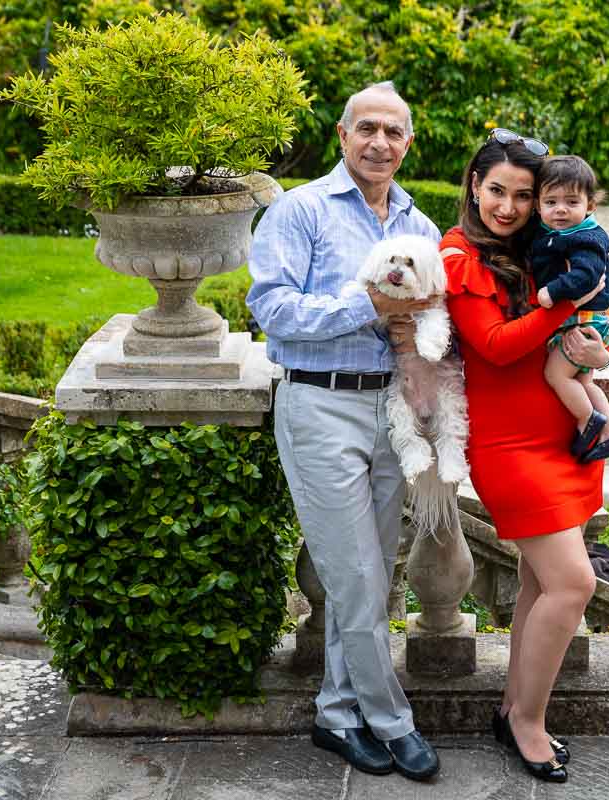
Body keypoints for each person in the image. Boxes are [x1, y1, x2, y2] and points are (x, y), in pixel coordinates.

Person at [246, 82, 442, 782]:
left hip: (388, 410)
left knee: (367, 575)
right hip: (320, 407)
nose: (379, 142)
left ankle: (335, 714)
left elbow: (425, 321)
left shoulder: (418, 225)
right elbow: (271, 310)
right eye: (367, 128)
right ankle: (393, 721)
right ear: (342, 134)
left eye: (393, 131)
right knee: (358, 575)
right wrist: (366, 303)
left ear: (408, 143)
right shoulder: (299, 211)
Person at [439, 129, 609, 783]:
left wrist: (597, 348)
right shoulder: (457, 253)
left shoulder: (546, 246)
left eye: (522, 195)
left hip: (564, 439)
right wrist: (571, 302)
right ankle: (527, 723)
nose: (508, 207)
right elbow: (496, 344)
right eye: (496, 192)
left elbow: (588, 334)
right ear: (473, 188)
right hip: (508, 446)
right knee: (575, 583)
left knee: (544, 583)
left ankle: (515, 705)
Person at [531, 155, 609, 463]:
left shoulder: (584, 238)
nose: (560, 209)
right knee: (584, 382)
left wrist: (551, 292)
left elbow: (587, 277)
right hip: (589, 322)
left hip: (584, 321)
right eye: (551, 202)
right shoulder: (555, 234)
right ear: (538, 206)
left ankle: (588, 422)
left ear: (590, 206)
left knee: (556, 375)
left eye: (571, 201)